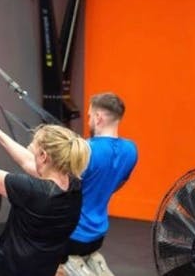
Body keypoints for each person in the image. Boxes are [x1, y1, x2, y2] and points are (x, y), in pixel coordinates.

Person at [0, 118, 90, 276]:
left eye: (33, 148)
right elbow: (27, 162)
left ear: (44, 156)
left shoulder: (31, 190)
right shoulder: (74, 187)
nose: (29, 150)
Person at [58, 93, 138, 276]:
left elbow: (57, 183)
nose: (88, 121)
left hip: (72, 236)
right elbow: (117, 184)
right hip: (97, 235)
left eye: (89, 116)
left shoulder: (86, 149)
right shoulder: (131, 150)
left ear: (98, 117)